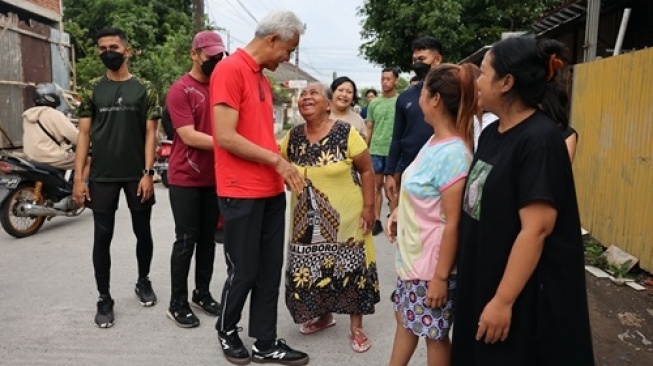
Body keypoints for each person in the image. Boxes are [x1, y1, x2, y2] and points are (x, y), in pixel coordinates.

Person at [451, 37, 594, 366]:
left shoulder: (540, 141)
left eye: (483, 74)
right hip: (482, 278)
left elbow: (537, 230)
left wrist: (502, 301)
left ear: (506, 82)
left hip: (519, 295)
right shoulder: (491, 134)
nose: (477, 82)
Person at [210, 10, 309, 366]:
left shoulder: (262, 80)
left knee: (269, 270)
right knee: (245, 270)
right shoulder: (229, 70)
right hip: (240, 190)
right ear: (272, 39)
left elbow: (258, 135)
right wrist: (277, 162)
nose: (288, 58)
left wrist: (286, 155)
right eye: (288, 49)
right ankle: (226, 328)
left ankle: (265, 342)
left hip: (269, 190)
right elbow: (225, 136)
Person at [386, 63, 476, 366]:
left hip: (430, 268)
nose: (417, 97)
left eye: (422, 92)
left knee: (434, 336)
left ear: (435, 98)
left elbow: (454, 222)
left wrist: (439, 278)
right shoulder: (434, 141)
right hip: (415, 261)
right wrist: (399, 211)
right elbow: (423, 192)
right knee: (407, 321)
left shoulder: (453, 153)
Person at [280, 83, 380, 353]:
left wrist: (370, 208)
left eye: (314, 94)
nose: (306, 97)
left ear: (327, 105)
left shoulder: (346, 132)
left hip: (347, 218)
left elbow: (367, 170)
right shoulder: (293, 137)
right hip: (306, 221)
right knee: (312, 270)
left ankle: (356, 327)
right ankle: (324, 316)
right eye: (303, 94)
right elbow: (272, 161)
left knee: (351, 267)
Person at [73, 27, 159, 329]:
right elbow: (83, 134)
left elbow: (151, 133)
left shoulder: (145, 88)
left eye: (113, 46)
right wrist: (78, 179)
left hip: (137, 175)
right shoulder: (91, 89)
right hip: (102, 177)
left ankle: (143, 280)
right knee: (102, 237)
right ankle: (104, 297)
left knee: (143, 232)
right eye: (102, 47)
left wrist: (148, 173)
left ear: (127, 50)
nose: (107, 51)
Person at [165, 30, 226, 328]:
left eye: (220, 55)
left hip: (215, 179)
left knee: (208, 241)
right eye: (210, 55)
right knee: (186, 240)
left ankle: (201, 293)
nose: (216, 60)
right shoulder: (181, 90)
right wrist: (229, 143)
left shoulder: (220, 87)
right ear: (194, 54)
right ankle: (177, 302)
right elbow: (187, 135)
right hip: (185, 177)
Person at [384, 37, 444, 211]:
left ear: (437, 59)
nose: (417, 64)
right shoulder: (406, 97)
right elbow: (397, 137)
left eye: (422, 60)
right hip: (410, 168)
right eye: (415, 60)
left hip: (444, 169)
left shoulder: (453, 92)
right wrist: (389, 173)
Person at [366, 68, 398, 235]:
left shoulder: (400, 101)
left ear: (395, 81)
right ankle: (377, 219)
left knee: (392, 188)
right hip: (376, 149)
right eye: (383, 78)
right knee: (376, 186)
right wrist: (365, 147)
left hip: (394, 150)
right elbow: (370, 127)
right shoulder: (374, 103)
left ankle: (394, 217)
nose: (385, 82)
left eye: (388, 79)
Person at [22, 83, 80, 171]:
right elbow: (76, 138)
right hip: (50, 157)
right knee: (87, 160)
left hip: (31, 157)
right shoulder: (55, 114)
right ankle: (80, 184)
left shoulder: (27, 115)